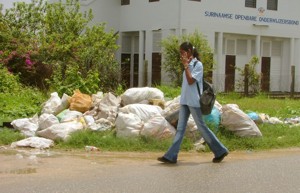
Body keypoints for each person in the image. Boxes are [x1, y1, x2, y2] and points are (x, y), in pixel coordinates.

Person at [157, 42, 228, 164]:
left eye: (182, 52)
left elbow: (191, 81)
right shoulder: (189, 64)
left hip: (194, 101)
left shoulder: (197, 65)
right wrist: (186, 65)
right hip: (185, 101)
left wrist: (186, 66)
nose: (181, 55)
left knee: (202, 127)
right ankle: (171, 156)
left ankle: (220, 150)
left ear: (189, 51)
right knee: (180, 129)